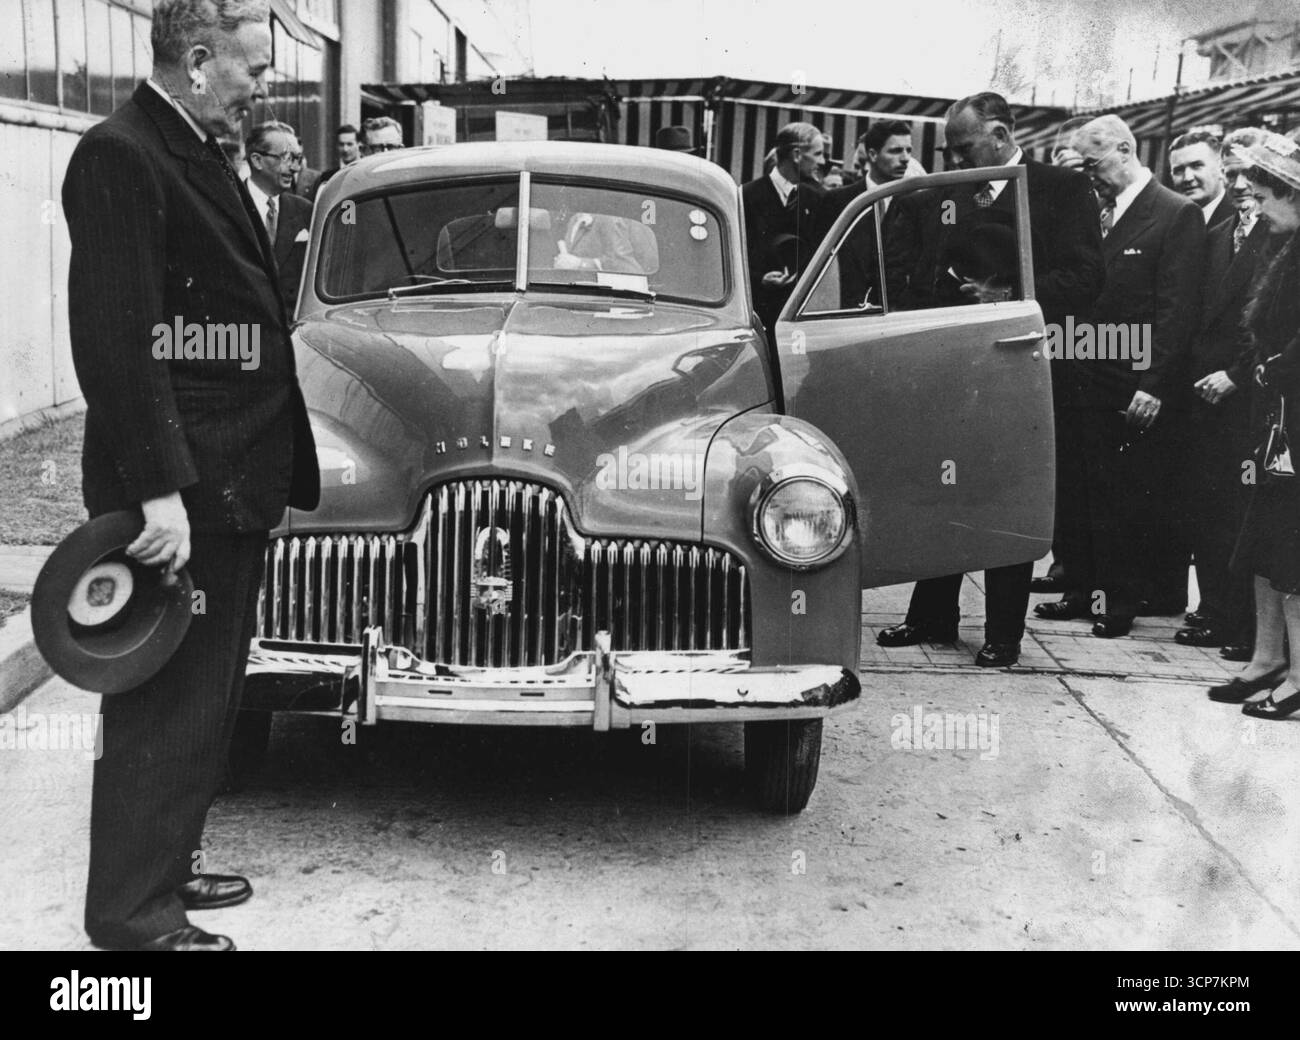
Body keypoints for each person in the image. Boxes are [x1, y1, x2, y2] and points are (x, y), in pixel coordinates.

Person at [61, 0, 319, 951]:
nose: (263, 87)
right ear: (200, 60)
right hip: (182, 491)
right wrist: (158, 490)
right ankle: (132, 917)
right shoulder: (123, 155)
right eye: (253, 69)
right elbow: (119, 341)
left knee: (204, 697)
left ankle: (166, 868)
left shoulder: (195, 145)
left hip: (227, 479)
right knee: (162, 704)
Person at [875, 92, 1104, 666]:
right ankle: (932, 615)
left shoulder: (1061, 189)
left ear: (1000, 134)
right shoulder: (946, 194)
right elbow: (920, 277)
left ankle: (1004, 632)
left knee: (1009, 498)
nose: (955, 162)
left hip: (1024, 369)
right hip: (953, 371)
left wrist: (1012, 297)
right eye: (951, 152)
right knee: (943, 490)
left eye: (964, 148)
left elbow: (1087, 277)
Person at [1037, 113, 1204, 638]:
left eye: (1093, 164)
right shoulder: (1094, 212)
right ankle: (1082, 589)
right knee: (1082, 493)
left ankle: (1118, 600)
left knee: (1123, 499)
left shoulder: (1176, 215)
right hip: (1085, 378)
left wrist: (1154, 385)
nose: (1087, 176)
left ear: (1126, 150)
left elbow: (1178, 312)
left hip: (1132, 385)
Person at [1207, 130, 1300, 720]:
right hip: (1281, 414)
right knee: (1269, 541)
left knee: (1291, 549)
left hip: (1294, 410)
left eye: (1266, 195)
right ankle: (1269, 658)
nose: (1257, 205)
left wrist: (1271, 369)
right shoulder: (1284, 243)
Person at [1178, 128, 1269, 657]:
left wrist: (1237, 373)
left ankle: (1245, 625)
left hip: (1249, 397)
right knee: (1208, 508)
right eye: (1231, 172)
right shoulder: (1216, 234)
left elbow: (1275, 323)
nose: (1237, 184)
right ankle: (1213, 610)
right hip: (1207, 399)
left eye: (1247, 174)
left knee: (1244, 513)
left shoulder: (1280, 238)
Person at [741, 121, 824, 342]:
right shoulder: (746, 196)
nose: (822, 161)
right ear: (797, 155)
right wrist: (760, 280)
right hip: (759, 316)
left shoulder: (817, 198)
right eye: (818, 154)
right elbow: (736, 254)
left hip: (800, 319)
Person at [245, 120, 311, 312]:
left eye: (297, 159)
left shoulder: (305, 210)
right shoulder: (228, 204)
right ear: (257, 160)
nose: (295, 168)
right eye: (286, 158)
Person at [1169, 125, 1235, 230]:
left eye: (1196, 166)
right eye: (1179, 170)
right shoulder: (1169, 220)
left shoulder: (1241, 217)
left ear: (1221, 169)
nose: (1187, 178)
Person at [306, 123, 362, 200]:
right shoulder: (327, 177)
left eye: (349, 144)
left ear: (358, 144)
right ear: (337, 146)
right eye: (341, 144)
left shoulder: (364, 173)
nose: (345, 149)